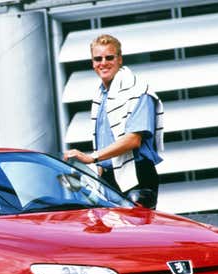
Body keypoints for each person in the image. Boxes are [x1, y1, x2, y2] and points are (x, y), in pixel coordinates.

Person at [64, 34, 164, 203]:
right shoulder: (101, 96)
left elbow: (133, 140)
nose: (103, 63)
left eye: (109, 57)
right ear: (93, 63)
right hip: (109, 179)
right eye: (98, 59)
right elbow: (104, 141)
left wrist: (92, 157)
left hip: (137, 176)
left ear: (120, 60)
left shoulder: (137, 91)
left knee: (134, 229)